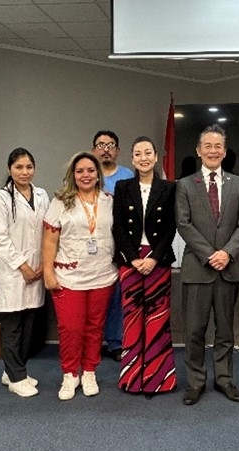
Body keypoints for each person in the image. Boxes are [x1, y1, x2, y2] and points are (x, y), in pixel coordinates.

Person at [176, 124, 239, 406]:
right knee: (194, 330)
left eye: (217, 146)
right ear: (198, 151)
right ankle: (196, 382)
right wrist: (210, 254)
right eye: (207, 146)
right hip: (198, 267)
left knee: (225, 330)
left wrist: (227, 253)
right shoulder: (185, 185)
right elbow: (183, 224)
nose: (212, 150)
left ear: (225, 151)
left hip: (228, 268)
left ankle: (224, 379)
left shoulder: (238, 183)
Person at [42, 151, 118, 401]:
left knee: (95, 327)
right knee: (71, 328)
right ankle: (69, 373)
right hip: (69, 277)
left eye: (90, 170)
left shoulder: (109, 201)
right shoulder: (60, 202)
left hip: (102, 275)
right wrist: (48, 272)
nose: (86, 175)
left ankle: (89, 371)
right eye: (80, 171)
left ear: (98, 174)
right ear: (72, 175)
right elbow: (49, 241)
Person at [112, 137, 177, 397]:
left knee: (157, 318)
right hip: (130, 260)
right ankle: (131, 378)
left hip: (157, 260)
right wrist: (133, 257)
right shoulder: (123, 186)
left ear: (156, 157)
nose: (143, 158)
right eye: (138, 153)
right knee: (132, 318)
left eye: (148, 152)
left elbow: (170, 227)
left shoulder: (168, 187)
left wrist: (153, 258)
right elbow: (118, 226)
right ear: (132, 159)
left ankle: (157, 379)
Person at [0, 148, 50, 398]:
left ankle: (13, 370)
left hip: (38, 269)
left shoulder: (42, 195)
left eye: (29, 167)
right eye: (19, 167)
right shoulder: (1, 199)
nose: (25, 172)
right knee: (12, 326)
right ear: (9, 169)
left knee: (28, 325)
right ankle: (16, 377)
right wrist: (23, 266)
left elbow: (48, 230)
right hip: (14, 272)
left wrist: (44, 263)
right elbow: (0, 238)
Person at [92, 130, 134, 362]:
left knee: (117, 295)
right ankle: (93, 341)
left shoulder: (127, 176)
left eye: (110, 145)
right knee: (94, 295)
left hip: (119, 244)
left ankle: (116, 341)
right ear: (93, 150)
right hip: (91, 244)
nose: (105, 149)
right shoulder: (87, 173)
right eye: (101, 145)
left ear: (118, 150)